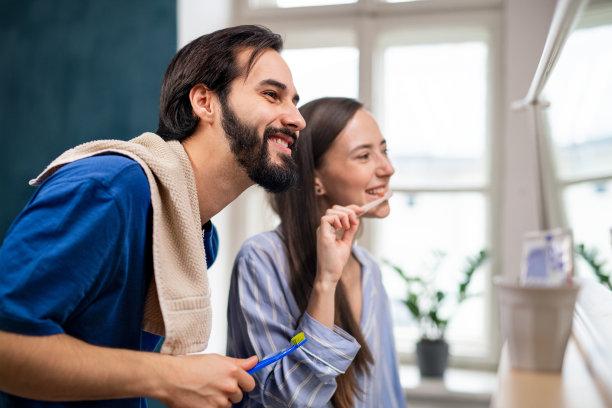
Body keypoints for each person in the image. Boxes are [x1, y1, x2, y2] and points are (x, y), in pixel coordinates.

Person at [0, 25, 305, 408]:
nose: (296, 118)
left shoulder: (193, 232)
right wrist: (171, 376)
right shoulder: (108, 190)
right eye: (271, 95)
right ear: (204, 102)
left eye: (294, 101)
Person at [227, 97, 406, 407]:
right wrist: (326, 281)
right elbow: (288, 400)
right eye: (364, 156)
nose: (388, 168)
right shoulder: (261, 260)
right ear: (316, 179)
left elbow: (386, 392)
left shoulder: (368, 270)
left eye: (384, 150)